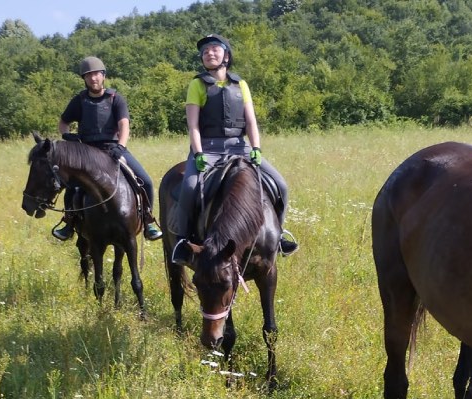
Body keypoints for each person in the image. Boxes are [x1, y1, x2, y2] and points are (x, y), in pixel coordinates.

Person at [170, 34, 297, 266]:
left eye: (214, 49)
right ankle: (181, 241)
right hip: (208, 148)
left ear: (226, 55)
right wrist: (198, 153)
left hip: (240, 146)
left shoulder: (241, 85)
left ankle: (278, 237)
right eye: (205, 51)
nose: (209, 53)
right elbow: (193, 125)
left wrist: (256, 147)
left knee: (281, 185)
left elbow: (251, 122)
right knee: (188, 187)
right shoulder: (197, 84)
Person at [54, 56, 162, 242]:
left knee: (146, 181)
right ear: (84, 79)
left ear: (103, 75)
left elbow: (124, 125)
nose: (93, 78)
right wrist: (67, 135)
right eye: (88, 75)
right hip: (87, 152)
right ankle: (69, 222)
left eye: (96, 74)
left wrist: (121, 146)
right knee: (72, 187)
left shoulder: (115, 98)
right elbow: (63, 122)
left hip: (113, 149)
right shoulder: (79, 100)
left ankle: (148, 220)